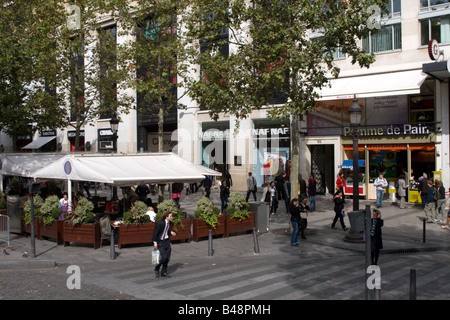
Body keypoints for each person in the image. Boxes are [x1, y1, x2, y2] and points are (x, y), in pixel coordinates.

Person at [153, 211, 176, 278]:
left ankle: (164, 272)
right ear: (166, 217)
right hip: (161, 242)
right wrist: (155, 242)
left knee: (167, 258)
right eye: (170, 216)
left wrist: (171, 232)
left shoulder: (169, 223)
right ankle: (157, 268)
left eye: (172, 216)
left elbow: (167, 230)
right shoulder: (160, 224)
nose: (172, 217)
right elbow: (155, 233)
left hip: (166, 241)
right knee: (164, 257)